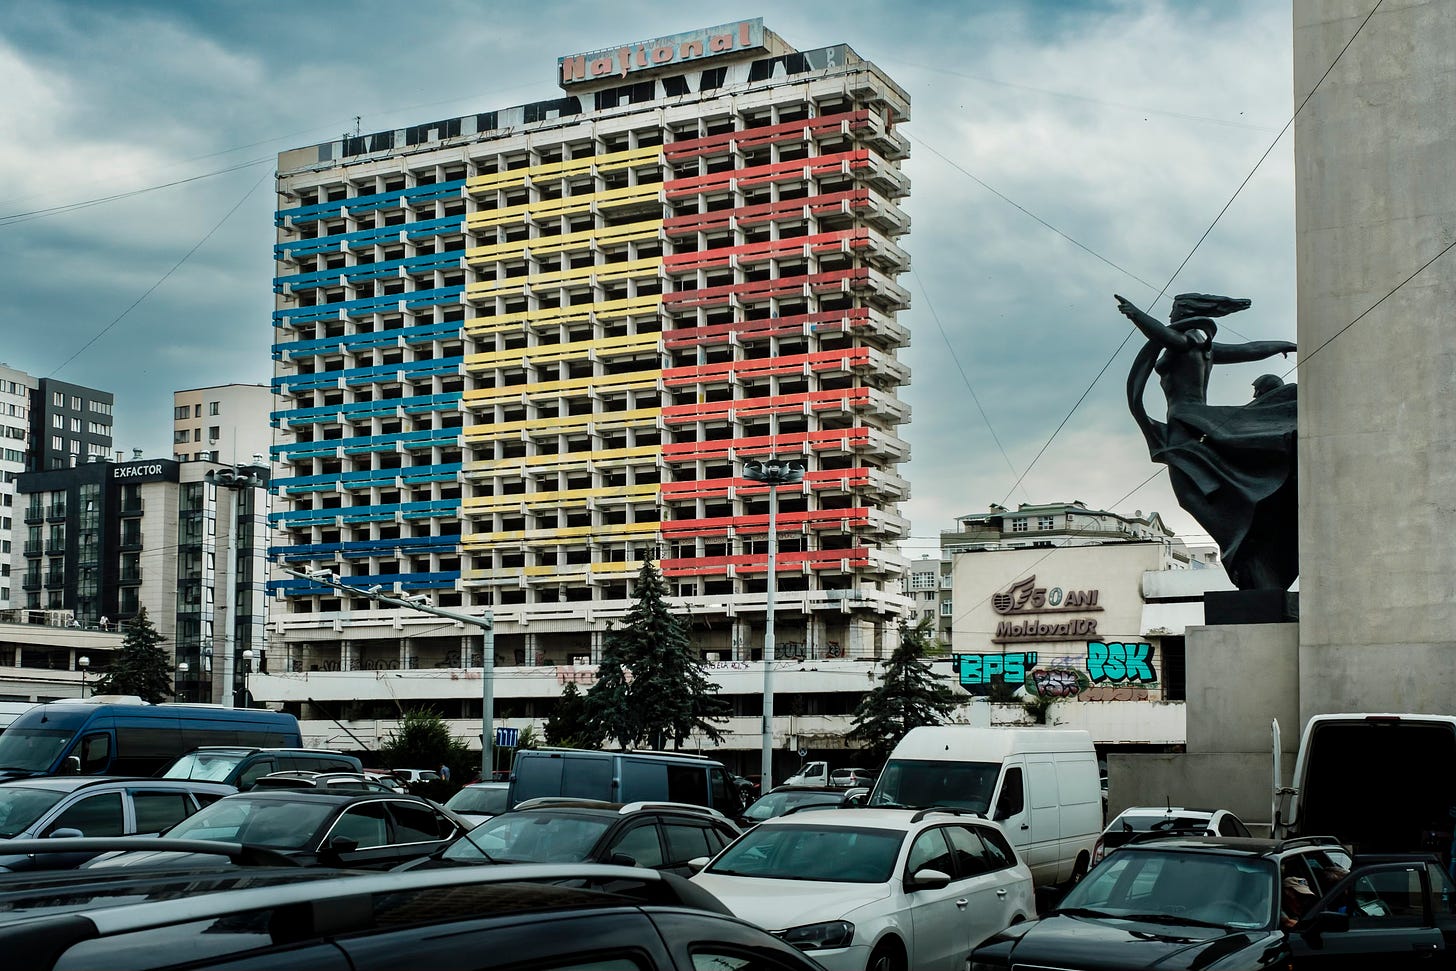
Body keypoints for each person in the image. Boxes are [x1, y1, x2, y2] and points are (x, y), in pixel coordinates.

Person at [1116, 293, 1299, 591]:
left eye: (1174, 310)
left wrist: (1135, 313)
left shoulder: (1188, 342)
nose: (1171, 316)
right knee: (1196, 492)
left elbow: (1162, 334)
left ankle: (1246, 546)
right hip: (1191, 420)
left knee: (1191, 494)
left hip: (1184, 420)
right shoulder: (1205, 348)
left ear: (1184, 313)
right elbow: (1250, 350)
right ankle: (1252, 561)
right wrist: (1283, 345)